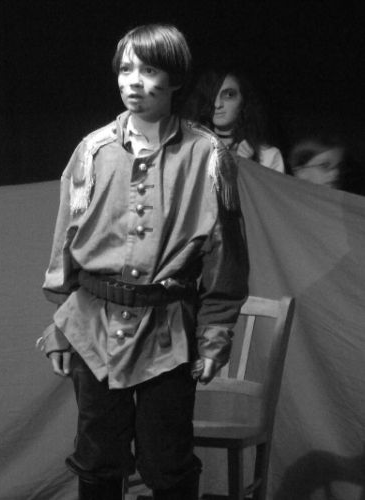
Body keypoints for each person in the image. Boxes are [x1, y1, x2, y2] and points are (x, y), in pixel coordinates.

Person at [39, 23, 249, 500]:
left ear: (175, 80)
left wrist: (214, 334)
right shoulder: (91, 152)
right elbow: (65, 245)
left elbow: (225, 256)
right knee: (97, 459)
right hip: (93, 324)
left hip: (167, 330)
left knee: (167, 462)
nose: (133, 81)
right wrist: (60, 327)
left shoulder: (207, 156)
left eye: (149, 70)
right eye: (126, 68)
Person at [187, 67, 285, 173]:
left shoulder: (268, 156)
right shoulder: (191, 149)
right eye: (212, 96)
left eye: (229, 95)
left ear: (244, 101)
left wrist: (249, 167)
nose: (217, 104)